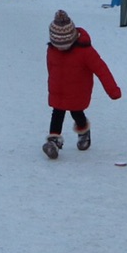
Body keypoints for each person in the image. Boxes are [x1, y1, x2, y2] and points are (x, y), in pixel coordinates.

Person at [43, 9, 122, 158]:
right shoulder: (52, 49)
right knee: (57, 112)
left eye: (64, 45)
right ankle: (53, 141)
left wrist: (113, 90)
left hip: (78, 91)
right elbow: (51, 68)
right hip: (58, 90)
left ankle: (84, 130)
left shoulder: (85, 51)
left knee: (76, 113)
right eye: (58, 45)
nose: (61, 48)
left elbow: (102, 70)